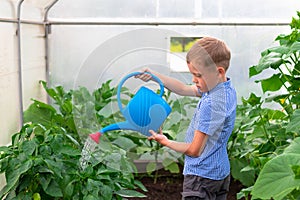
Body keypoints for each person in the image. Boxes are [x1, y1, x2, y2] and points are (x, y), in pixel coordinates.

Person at [136, 36, 237, 200]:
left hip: (201, 177)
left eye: (198, 75)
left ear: (219, 71)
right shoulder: (225, 89)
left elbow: (194, 150)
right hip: (219, 174)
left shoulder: (211, 104)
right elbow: (183, 88)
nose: (193, 80)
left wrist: (165, 141)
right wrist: (155, 76)